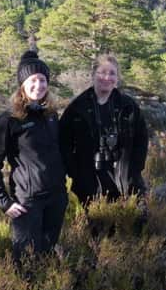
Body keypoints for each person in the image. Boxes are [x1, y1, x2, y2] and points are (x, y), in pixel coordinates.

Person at [0, 50, 68, 267]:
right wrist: (4, 202)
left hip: (56, 198)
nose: (38, 85)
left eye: (42, 79)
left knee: (48, 255)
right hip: (27, 202)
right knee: (26, 261)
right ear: (22, 84)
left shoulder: (51, 116)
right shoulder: (8, 121)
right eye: (33, 80)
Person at [59, 54, 148, 206]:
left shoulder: (128, 107)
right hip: (89, 183)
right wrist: (76, 173)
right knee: (97, 226)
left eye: (112, 73)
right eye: (102, 72)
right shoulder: (77, 108)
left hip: (126, 180)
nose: (107, 77)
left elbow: (142, 140)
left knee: (133, 224)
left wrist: (134, 169)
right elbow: (63, 143)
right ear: (93, 75)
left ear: (118, 78)